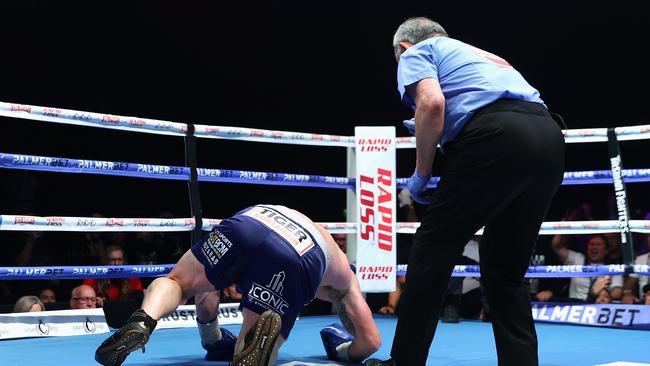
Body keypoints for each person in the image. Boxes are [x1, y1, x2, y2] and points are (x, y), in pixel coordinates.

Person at [366, 17, 565, 366]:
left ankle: (404, 361)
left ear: (402, 48)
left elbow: (431, 104)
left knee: (431, 249)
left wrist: (421, 176)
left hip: (496, 137)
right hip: (548, 137)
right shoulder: (483, 56)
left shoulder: (417, 51)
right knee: (505, 269)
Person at [95, 204, 380, 366]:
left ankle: (144, 320)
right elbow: (370, 342)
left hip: (250, 222)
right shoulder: (344, 276)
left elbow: (208, 291)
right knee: (251, 347)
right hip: (300, 256)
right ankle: (247, 353)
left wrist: (210, 336)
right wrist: (339, 349)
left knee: (177, 282)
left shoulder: (300, 218)